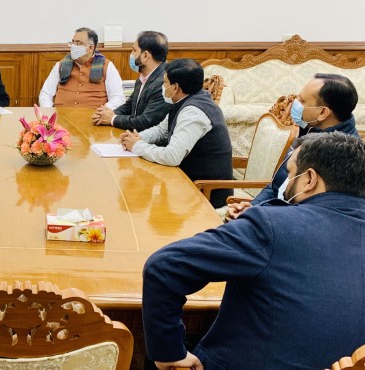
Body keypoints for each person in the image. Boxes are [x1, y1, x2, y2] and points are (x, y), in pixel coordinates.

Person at [142, 132, 365, 369]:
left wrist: (169, 353)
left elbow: (163, 267)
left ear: (309, 179)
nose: (287, 183)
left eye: (290, 174)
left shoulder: (273, 225)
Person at [227, 73, 359, 219]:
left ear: (322, 112)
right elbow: (277, 186)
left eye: (302, 101)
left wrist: (257, 214)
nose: (294, 103)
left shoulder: (340, 157)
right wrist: (253, 206)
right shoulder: (309, 131)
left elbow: (304, 211)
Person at [120, 58, 232, 208]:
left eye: (165, 82)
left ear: (175, 88)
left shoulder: (194, 113)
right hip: (185, 181)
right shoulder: (184, 100)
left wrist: (137, 146)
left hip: (205, 193)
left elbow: (172, 157)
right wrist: (138, 137)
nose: (162, 86)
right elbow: (162, 131)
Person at [91, 31, 170, 131]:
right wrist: (107, 113)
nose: (131, 54)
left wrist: (112, 119)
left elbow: (146, 121)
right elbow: (129, 106)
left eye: (134, 50)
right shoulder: (143, 77)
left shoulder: (164, 82)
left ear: (145, 55)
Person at [38, 27, 125, 109]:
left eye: (78, 43)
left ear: (90, 48)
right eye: (72, 42)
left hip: (93, 119)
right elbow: (46, 93)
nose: (73, 46)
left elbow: (118, 98)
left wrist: (102, 113)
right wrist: (49, 114)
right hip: (61, 118)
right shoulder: (61, 64)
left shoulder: (107, 66)